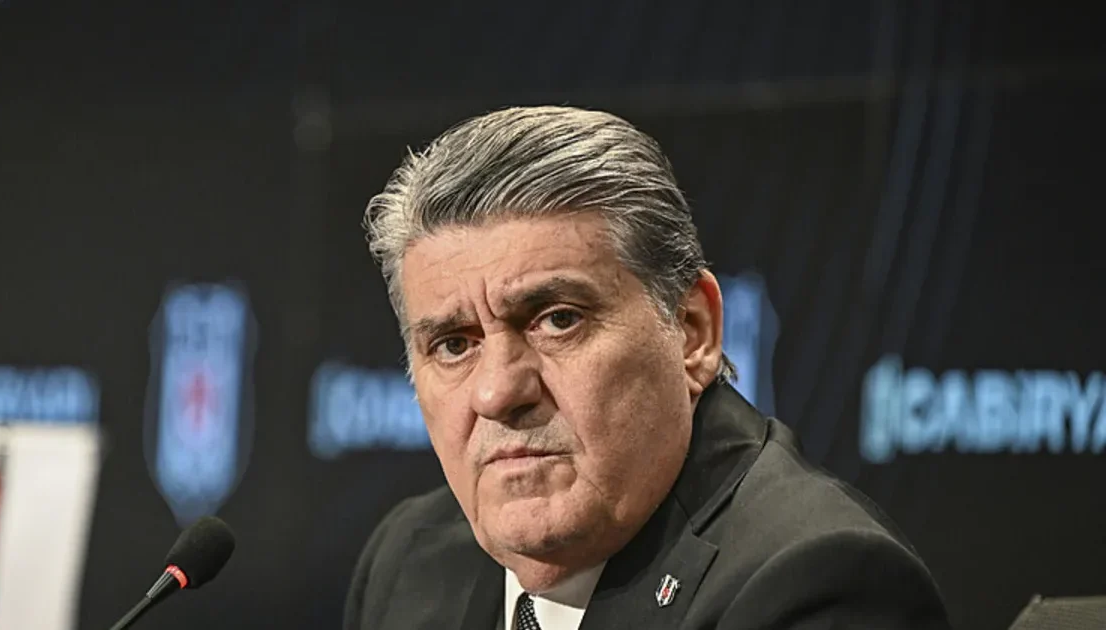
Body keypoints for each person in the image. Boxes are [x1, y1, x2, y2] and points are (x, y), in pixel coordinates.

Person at [344, 105, 950, 630]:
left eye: (558, 319)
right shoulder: (408, 563)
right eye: (454, 345)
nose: (498, 391)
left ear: (692, 331)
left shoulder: (816, 585)